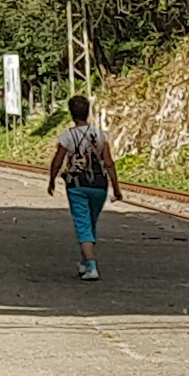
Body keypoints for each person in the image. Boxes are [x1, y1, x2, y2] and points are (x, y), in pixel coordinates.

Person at [48, 95, 117, 281]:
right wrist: (116, 188)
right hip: (99, 186)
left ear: (71, 114)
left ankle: (92, 267)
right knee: (90, 224)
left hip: (77, 186)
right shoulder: (101, 135)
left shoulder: (67, 136)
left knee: (82, 225)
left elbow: (57, 162)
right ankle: (85, 262)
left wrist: (52, 180)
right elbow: (109, 163)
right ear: (88, 112)